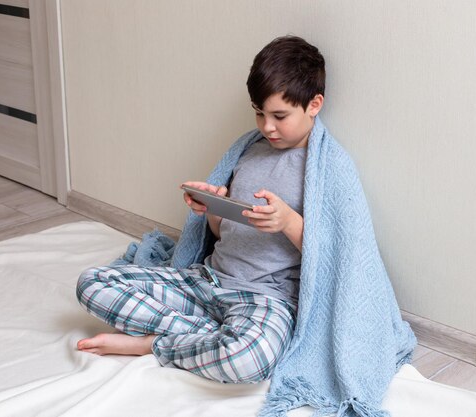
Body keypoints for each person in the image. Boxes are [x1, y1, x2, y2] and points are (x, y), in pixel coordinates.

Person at [76, 35, 325, 383]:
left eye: (279, 115)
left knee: (250, 359)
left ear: (313, 104)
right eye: (259, 113)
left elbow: (333, 260)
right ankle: (207, 335)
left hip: (265, 299)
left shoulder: (323, 167)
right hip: (205, 282)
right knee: (93, 283)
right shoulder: (249, 151)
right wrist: (211, 209)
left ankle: (154, 345)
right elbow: (223, 234)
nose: (267, 126)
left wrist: (287, 221)